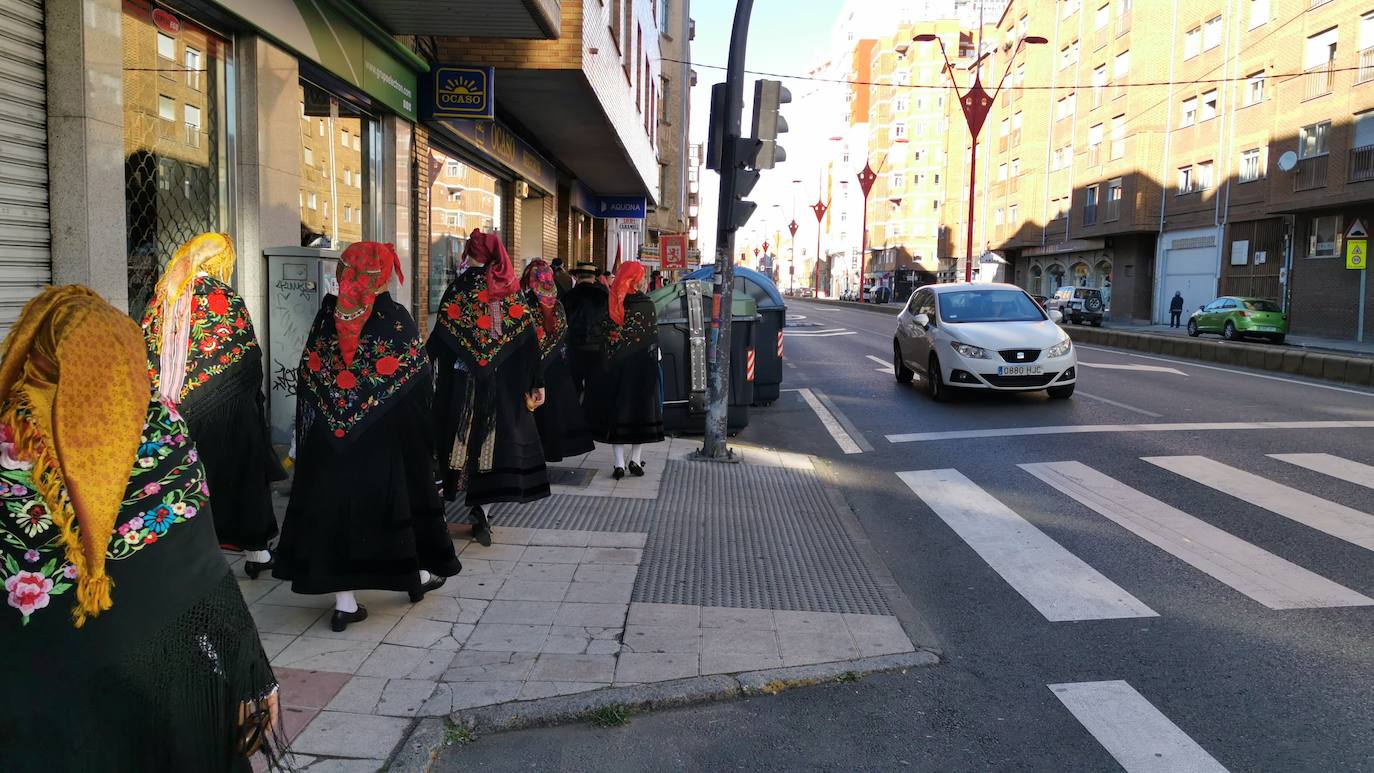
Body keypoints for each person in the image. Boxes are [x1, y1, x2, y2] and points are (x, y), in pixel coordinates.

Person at [0, 286, 285, 771]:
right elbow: (202, 571)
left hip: (28, 702)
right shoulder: (157, 433)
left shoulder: (9, 445)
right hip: (156, 690)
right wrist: (250, 675)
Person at [274, 242, 459, 632]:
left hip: (329, 443)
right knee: (394, 509)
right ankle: (415, 578)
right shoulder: (395, 317)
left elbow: (307, 378)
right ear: (382, 275)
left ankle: (345, 603)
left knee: (336, 514)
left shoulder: (326, 317)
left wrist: (332, 421)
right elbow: (420, 383)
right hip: (385, 441)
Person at [141, 233, 285, 580]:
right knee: (242, 477)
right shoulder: (224, 297)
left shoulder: (161, 299)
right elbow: (247, 359)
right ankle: (257, 551)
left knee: (182, 479)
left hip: (171, 411)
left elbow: (144, 351)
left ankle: (180, 550)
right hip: (228, 411)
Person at [430, 230, 550, 547]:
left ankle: (441, 508)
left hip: (459, 386)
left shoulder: (458, 288)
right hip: (502, 388)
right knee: (492, 449)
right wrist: (536, 382)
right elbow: (528, 343)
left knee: (456, 444)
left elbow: (440, 340)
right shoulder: (510, 291)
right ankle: (482, 513)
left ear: (472, 253)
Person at [585, 261, 665, 479]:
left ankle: (619, 464)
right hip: (641, 370)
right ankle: (635, 460)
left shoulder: (611, 304)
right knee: (640, 414)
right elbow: (652, 340)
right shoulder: (647, 304)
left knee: (617, 415)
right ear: (637, 280)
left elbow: (600, 337)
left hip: (614, 370)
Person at [522, 259, 595, 463]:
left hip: (531, 368)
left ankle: (535, 456)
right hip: (556, 367)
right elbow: (563, 334)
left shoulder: (525, 304)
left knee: (534, 414)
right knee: (554, 414)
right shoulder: (557, 304)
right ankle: (549, 453)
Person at [561, 260, 611, 401]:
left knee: (574, 387)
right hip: (597, 347)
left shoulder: (568, 296)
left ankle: (574, 417)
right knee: (596, 388)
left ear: (577, 277)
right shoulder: (604, 295)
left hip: (574, 347)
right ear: (594, 277)